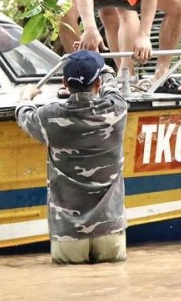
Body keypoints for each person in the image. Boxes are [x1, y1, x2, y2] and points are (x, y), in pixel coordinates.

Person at [15, 50, 128, 264]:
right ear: (97, 84)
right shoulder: (117, 109)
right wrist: (100, 63)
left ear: (65, 83)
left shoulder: (50, 117)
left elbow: (24, 115)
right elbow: (110, 81)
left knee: (69, 293)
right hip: (110, 229)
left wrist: (26, 96)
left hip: (68, 234)